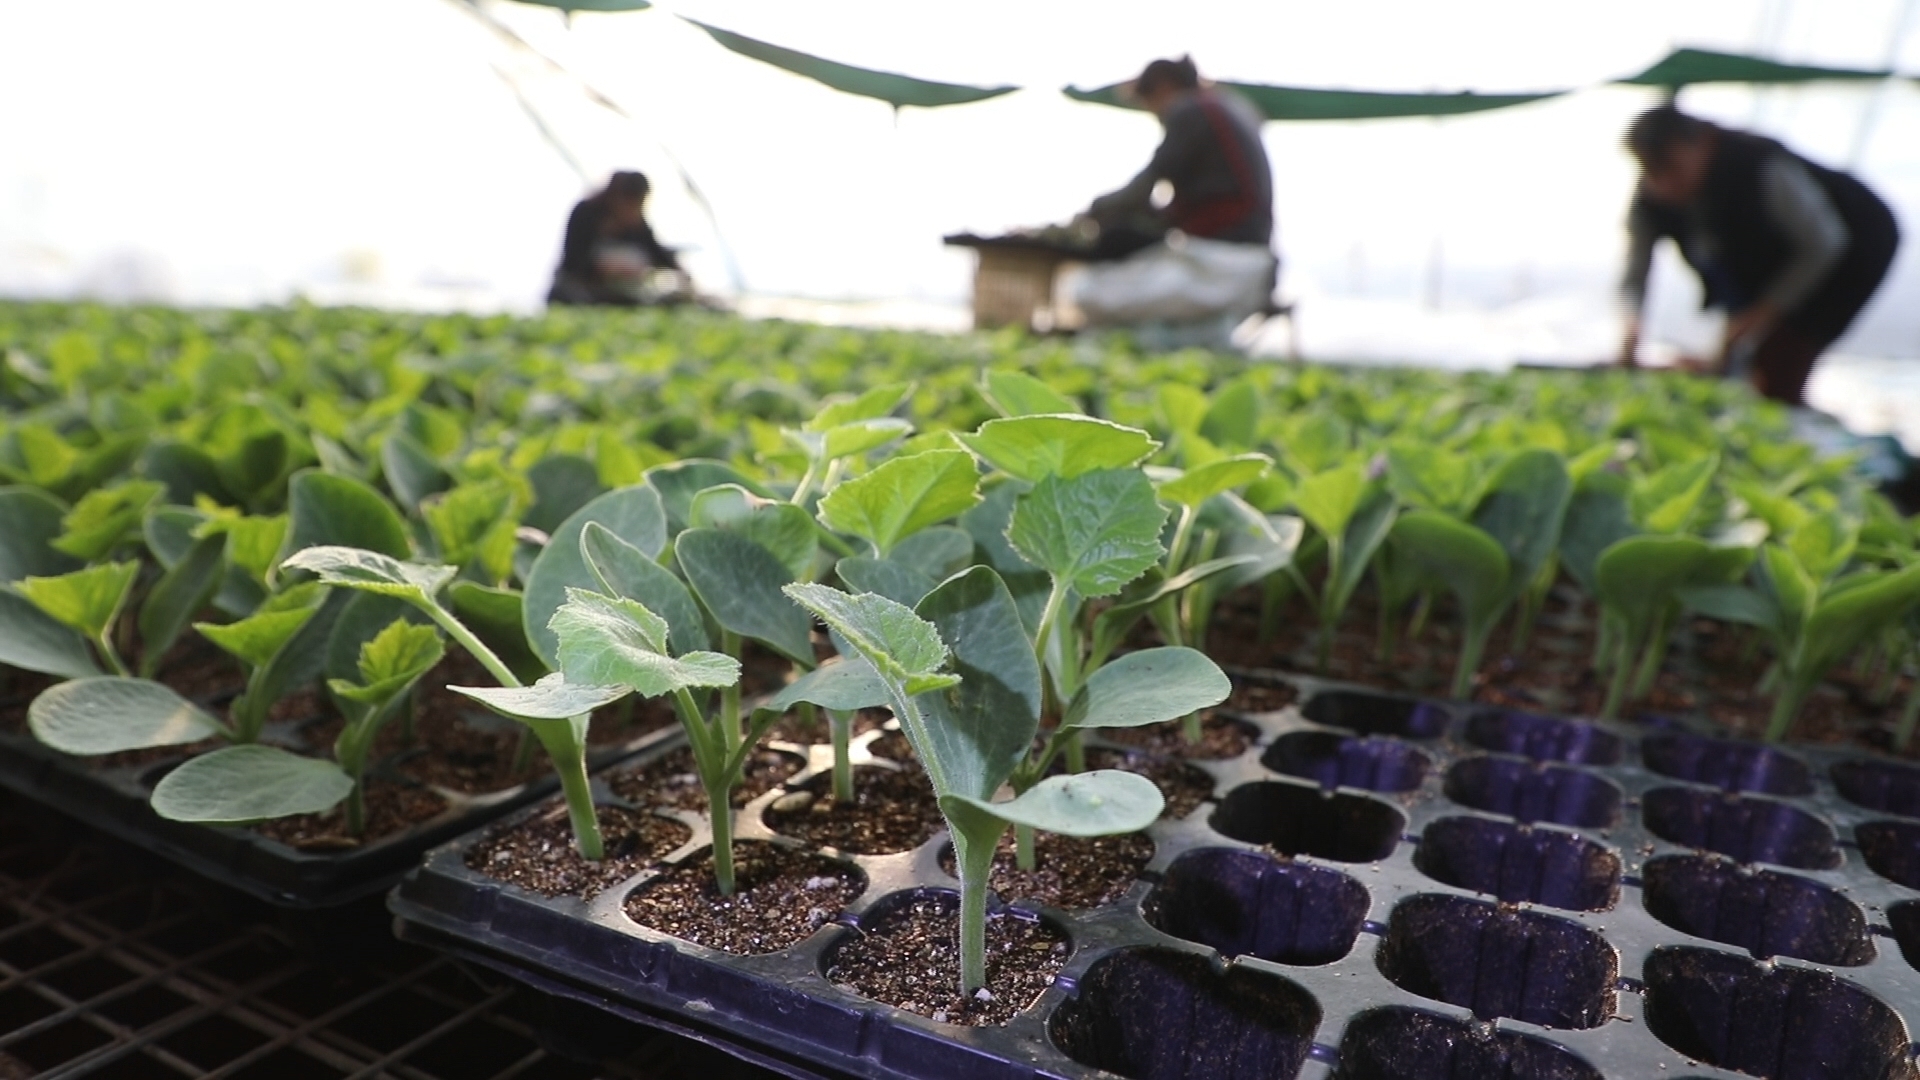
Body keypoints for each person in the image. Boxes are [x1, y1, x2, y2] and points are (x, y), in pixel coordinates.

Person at [1619, 105, 1899, 405]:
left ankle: (1777, 409)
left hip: (1853, 249)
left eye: (1672, 167)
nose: (1664, 185)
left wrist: (1761, 314)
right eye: (1652, 171)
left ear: (1703, 143)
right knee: (1743, 347)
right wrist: (1631, 324)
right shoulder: (1652, 198)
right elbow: (1636, 272)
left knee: (1781, 357)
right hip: (1772, 260)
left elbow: (1823, 244)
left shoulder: (1757, 165)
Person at [1070, 56, 1278, 337]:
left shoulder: (1190, 110)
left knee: (1090, 286)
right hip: (1249, 256)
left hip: (1223, 261)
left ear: (1163, 87)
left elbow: (1141, 190)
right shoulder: (1229, 106)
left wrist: (1094, 210)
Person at [548, 171, 687, 307]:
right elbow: (573, 259)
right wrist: (605, 268)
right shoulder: (585, 213)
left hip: (618, 294)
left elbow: (658, 253)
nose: (632, 211)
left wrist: (682, 273)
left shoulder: (638, 225)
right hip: (578, 291)